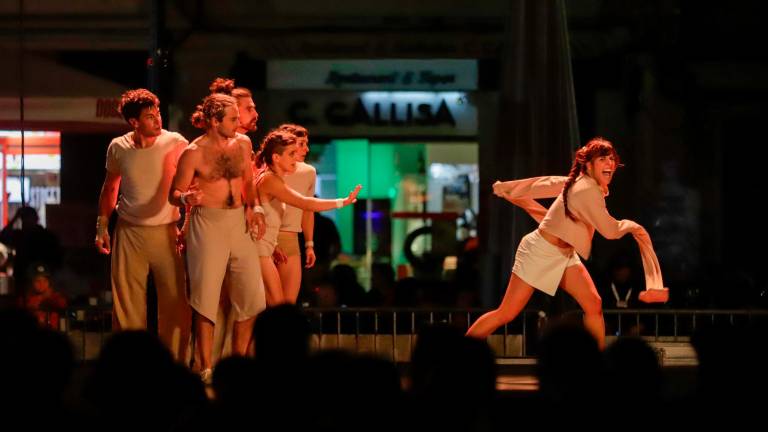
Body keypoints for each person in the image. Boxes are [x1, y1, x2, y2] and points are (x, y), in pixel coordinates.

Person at [466, 137, 668, 349]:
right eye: (602, 159)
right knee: (506, 313)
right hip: (539, 251)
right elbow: (609, 231)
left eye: (612, 159)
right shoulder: (586, 189)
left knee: (594, 305)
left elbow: (548, 183)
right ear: (588, 165)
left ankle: (596, 363)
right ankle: (459, 352)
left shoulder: (583, 183)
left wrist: (509, 189)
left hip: (564, 254)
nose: (609, 164)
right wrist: (634, 227)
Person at [170, 93, 265, 382]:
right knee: (205, 297)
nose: (239, 123)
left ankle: (237, 363)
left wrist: (254, 207)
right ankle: (205, 366)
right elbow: (173, 194)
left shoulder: (244, 144)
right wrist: (187, 197)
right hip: (207, 222)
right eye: (233, 119)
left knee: (252, 297)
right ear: (214, 120)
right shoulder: (193, 152)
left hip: (239, 221)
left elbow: (248, 180)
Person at [94, 89, 190, 361]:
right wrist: (102, 228)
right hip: (128, 229)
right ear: (134, 122)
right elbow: (110, 188)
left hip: (166, 229)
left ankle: (175, 363)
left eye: (158, 113)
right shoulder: (118, 147)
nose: (157, 119)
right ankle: (130, 362)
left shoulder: (176, 142)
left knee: (174, 300)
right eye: (150, 116)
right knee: (127, 302)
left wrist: (187, 226)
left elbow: (190, 185)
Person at [254, 129, 361, 306]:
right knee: (273, 309)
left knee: (280, 307)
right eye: (291, 153)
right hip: (259, 252)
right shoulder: (269, 179)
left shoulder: (274, 179)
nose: (296, 157)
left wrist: (274, 244)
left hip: (268, 248)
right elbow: (305, 203)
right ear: (276, 157)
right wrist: (343, 201)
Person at [273, 124, 316, 304]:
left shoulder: (308, 172)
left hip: (291, 237)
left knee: (288, 303)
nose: (306, 149)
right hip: (266, 238)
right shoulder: (270, 169)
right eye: (301, 143)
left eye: (306, 144)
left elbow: (308, 209)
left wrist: (309, 244)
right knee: (266, 302)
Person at [0, 206, 61, 292]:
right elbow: (3, 237)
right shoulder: (19, 235)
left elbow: (56, 258)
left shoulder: (47, 236)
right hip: (23, 280)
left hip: (43, 279)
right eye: (23, 219)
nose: (25, 222)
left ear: (35, 219)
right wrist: (15, 217)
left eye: (28, 218)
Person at [19, 264, 67, 330]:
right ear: (31, 283)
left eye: (45, 280)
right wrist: (42, 298)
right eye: (38, 281)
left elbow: (63, 305)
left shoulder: (55, 296)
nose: (42, 284)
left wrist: (49, 298)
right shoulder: (24, 299)